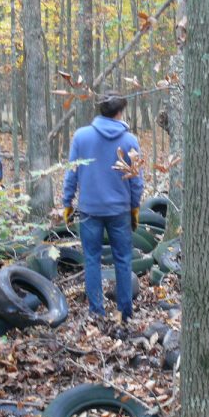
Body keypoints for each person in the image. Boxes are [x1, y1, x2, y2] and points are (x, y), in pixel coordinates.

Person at [62, 94, 144, 322]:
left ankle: (96, 311)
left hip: (90, 210)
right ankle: (125, 312)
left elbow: (72, 173)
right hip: (120, 211)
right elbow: (136, 179)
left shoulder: (81, 136)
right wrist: (135, 207)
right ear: (120, 112)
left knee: (92, 260)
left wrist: (67, 203)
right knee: (123, 260)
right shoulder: (130, 140)